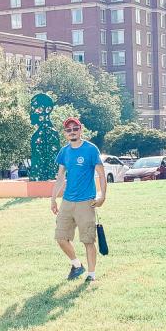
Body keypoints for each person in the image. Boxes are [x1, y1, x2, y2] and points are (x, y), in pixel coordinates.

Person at [50, 117, 107, 283]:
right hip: (67, 202)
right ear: (65, 133)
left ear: (80, 129)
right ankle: (76, 265)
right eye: (69, 130)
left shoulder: (91, 149)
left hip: (86, 202)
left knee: (88, 240)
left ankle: (91, 275)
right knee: (61, 237)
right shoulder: (64, 152)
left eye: (75, 129)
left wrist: (102, 196)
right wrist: (53, 199)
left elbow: (101, 174)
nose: (72, 132)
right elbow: (60, 177)